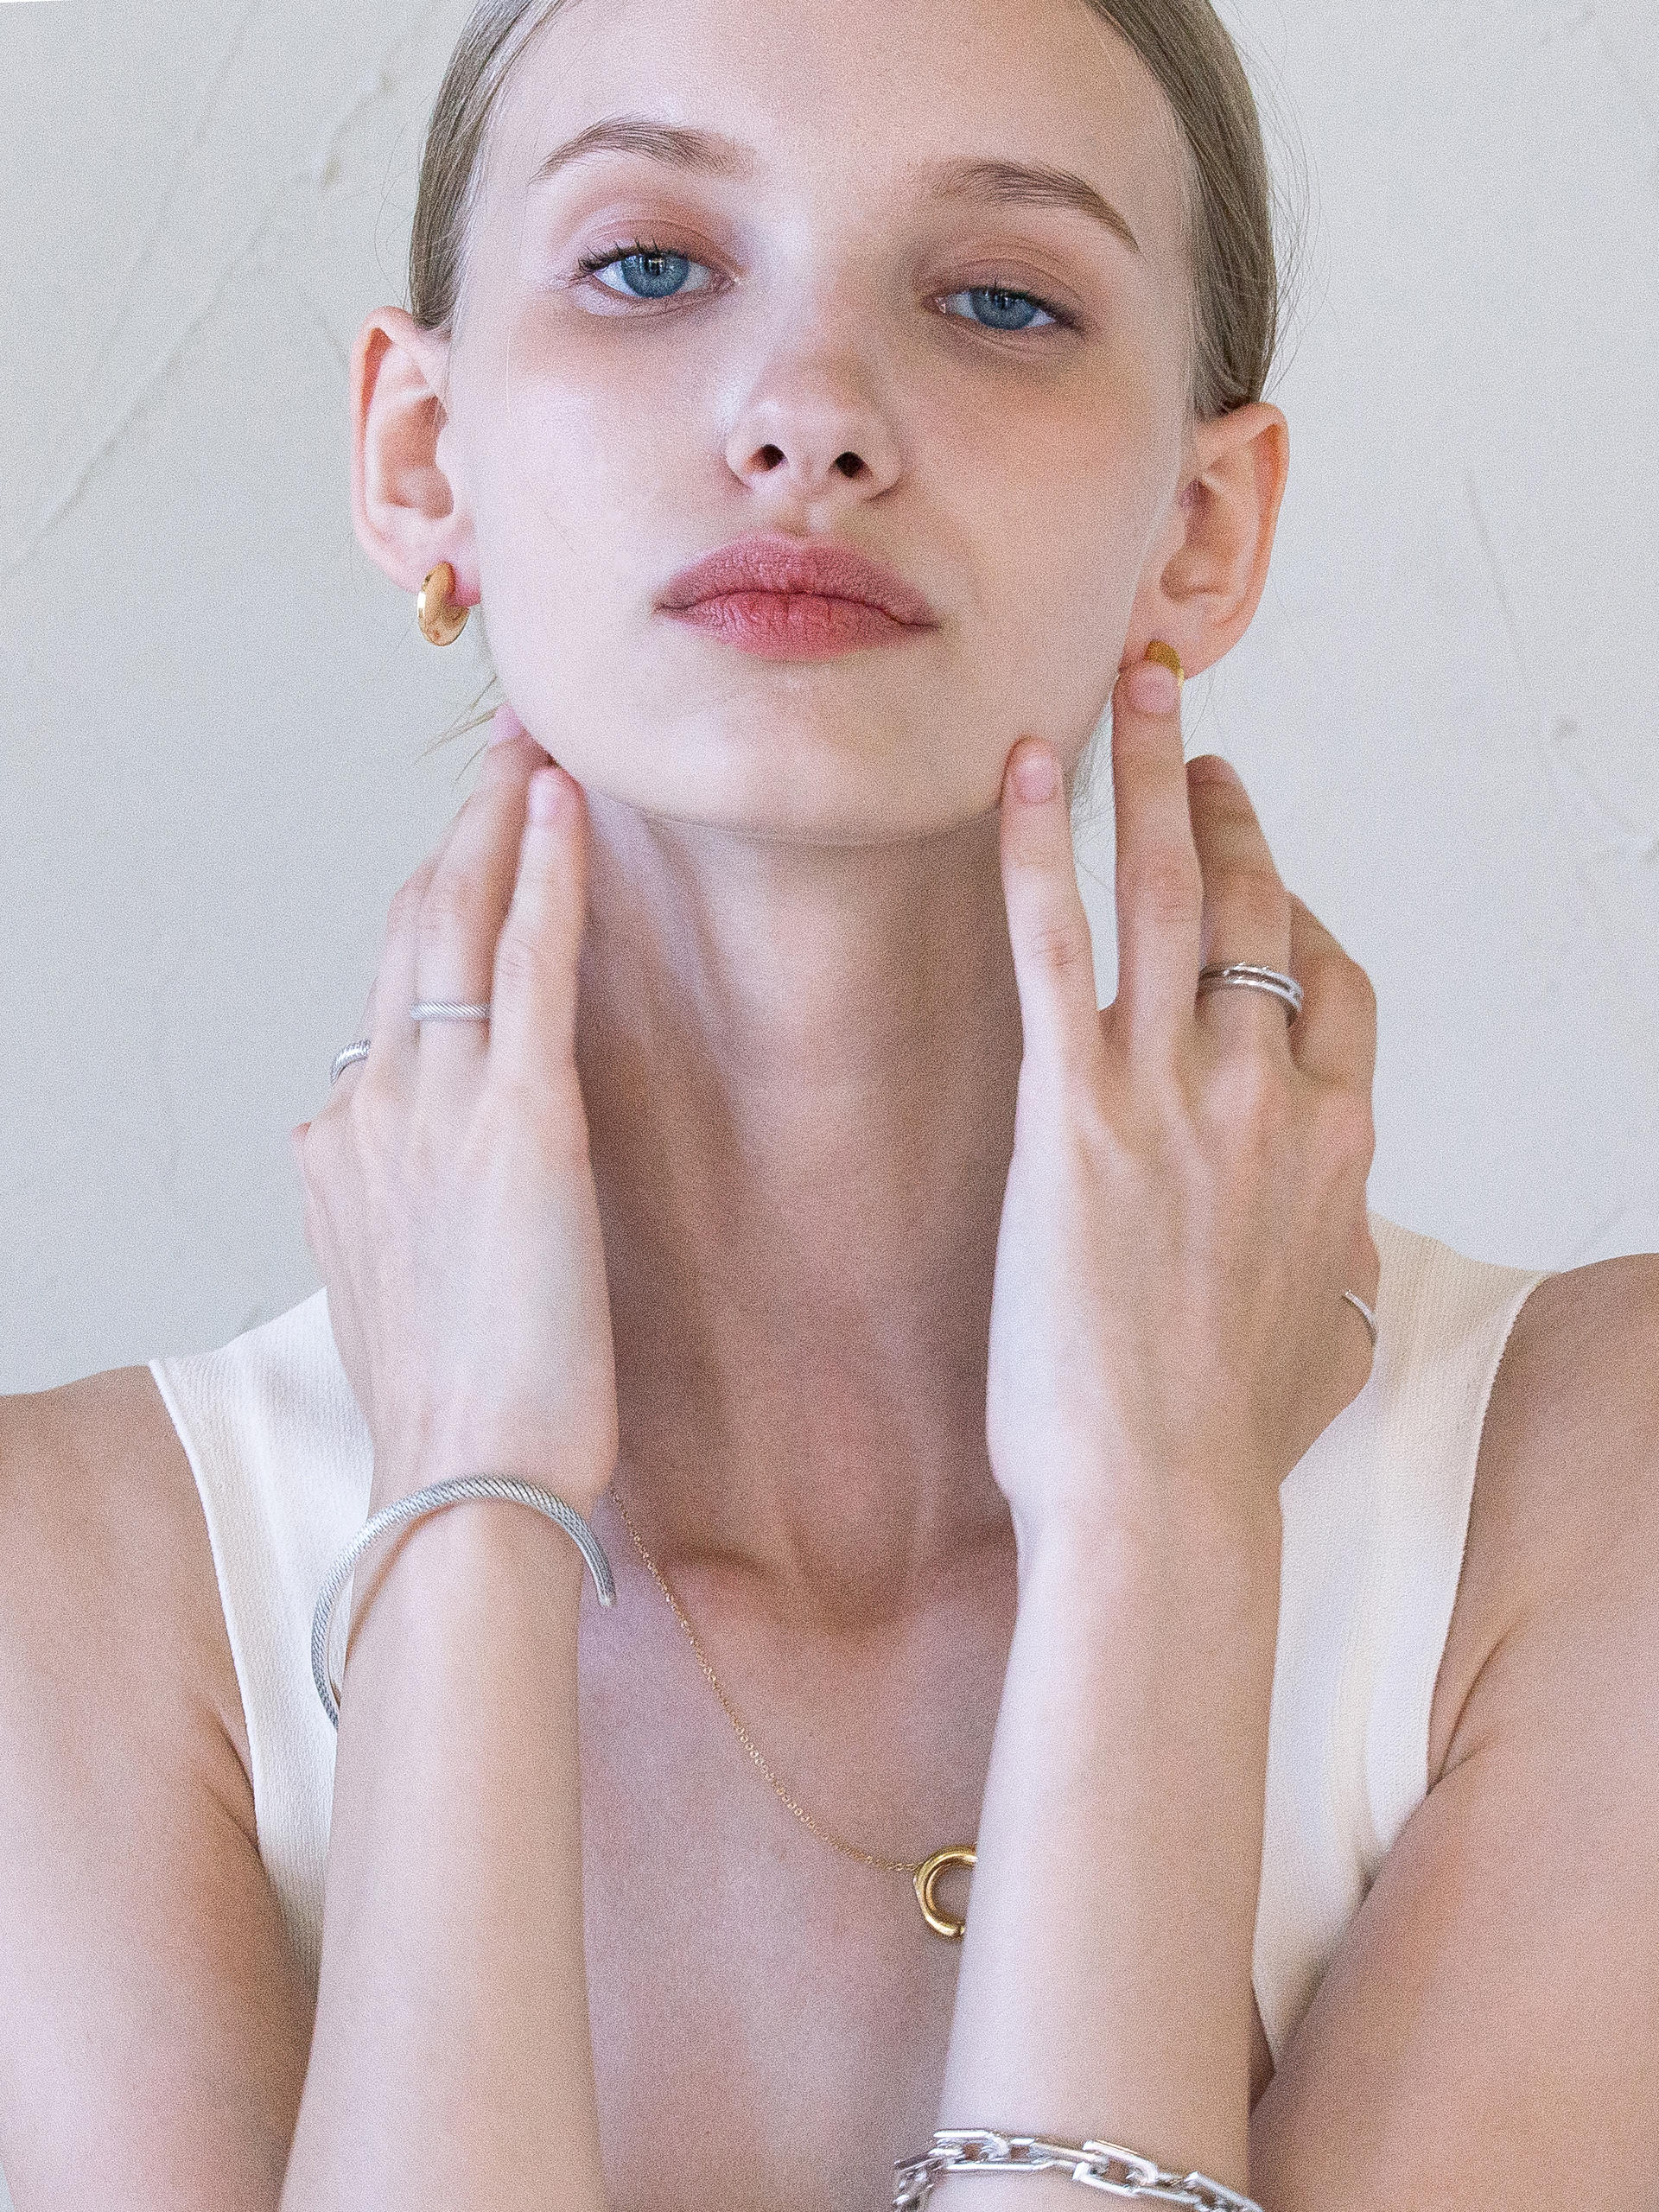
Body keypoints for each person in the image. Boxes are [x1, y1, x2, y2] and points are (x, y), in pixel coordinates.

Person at [1, 0, 1655, 2205]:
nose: (810, 414)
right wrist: (467, 1508)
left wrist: (1157, 1526)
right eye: (650, 264)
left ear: (1203, 523)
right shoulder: (72, 1595)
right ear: (418, 449)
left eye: (1000, 299)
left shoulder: (1591, 1494)